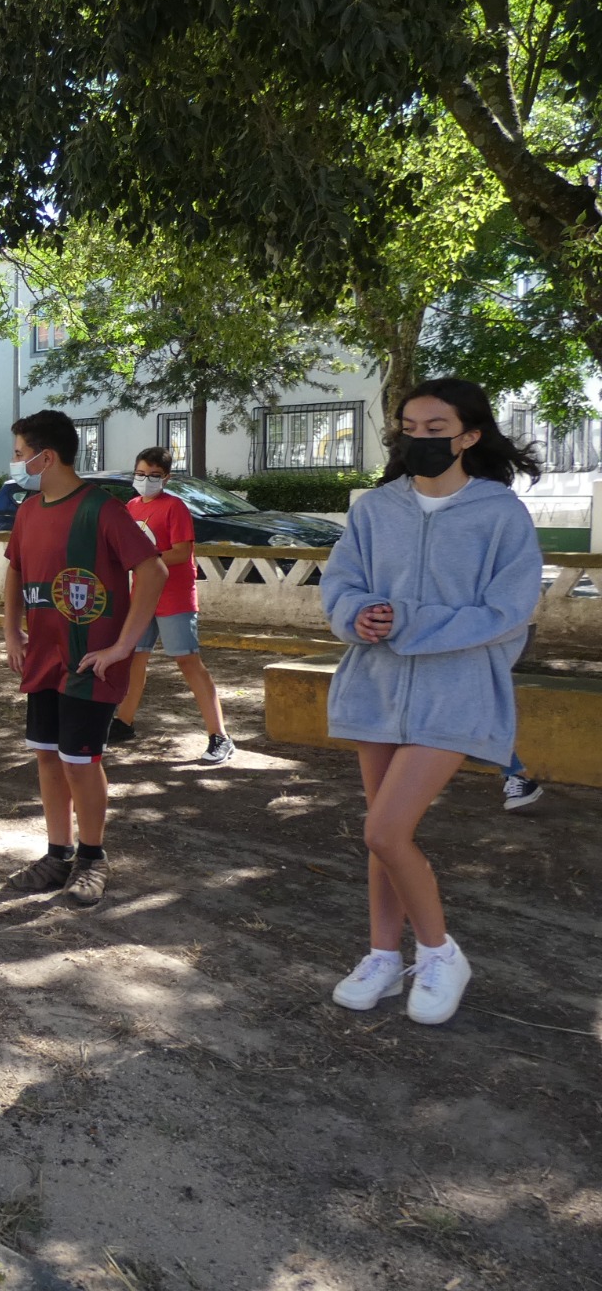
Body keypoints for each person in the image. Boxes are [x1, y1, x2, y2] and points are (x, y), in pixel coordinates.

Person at [322, 378, 541, 1027]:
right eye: (410, 429)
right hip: (377, 687)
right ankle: (384, 956)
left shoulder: (500, 514)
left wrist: (412, 625)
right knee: (383, 839)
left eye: (435, 428)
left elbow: (509, 612)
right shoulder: (375, 508)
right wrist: (357, 615)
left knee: (385, 830)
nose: (420, 439)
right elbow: (342, 583)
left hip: (459, 691)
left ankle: (441, 953)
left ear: (469, 436)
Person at [0, 411, 166, 903]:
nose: (14, 463)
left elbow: (153, 571)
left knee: (80, 761)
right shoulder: (29, 511)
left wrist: (122, 645)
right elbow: (14, 571)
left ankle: (92, 858)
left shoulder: (103, 509)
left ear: (44, 457)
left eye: (16, 452)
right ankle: (58, 854)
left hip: (89, 664)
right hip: (42, 660)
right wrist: (10, 630)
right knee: (47, 757)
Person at [110, 447, 234, 763]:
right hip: (142, 597)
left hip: (175, 597)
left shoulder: (174, 507)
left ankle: (219, 735)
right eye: (140, 473)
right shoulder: (132, 506)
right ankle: (123, 722)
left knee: (188, 662)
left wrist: (145, 560)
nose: (146, 479)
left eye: (154, 475)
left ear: (166, 477)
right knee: (133, 658)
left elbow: (181, 552)